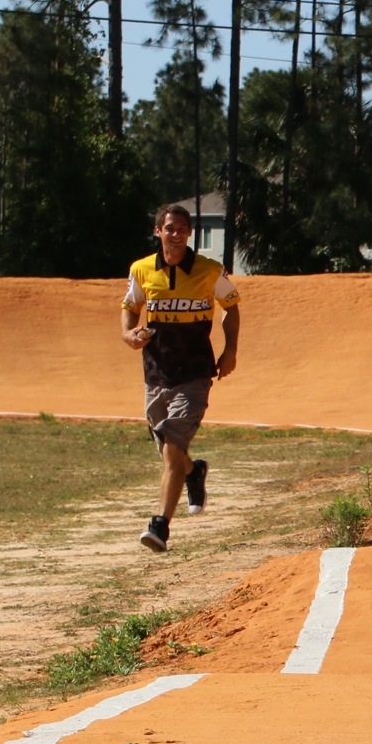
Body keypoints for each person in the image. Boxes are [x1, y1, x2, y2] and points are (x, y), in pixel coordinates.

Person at [121, 203, 240, 552]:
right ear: (158, 231)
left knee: (172, 446)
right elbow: (129, 308)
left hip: (195, 373)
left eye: (183, 228)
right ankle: (193, 471)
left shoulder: (209, 270)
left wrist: (230, 350)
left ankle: (159, 525)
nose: (177, 234)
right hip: (156, 373)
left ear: (189, 233)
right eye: (170, 228)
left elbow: (231, 307)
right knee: (170, 452)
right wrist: (129, 336)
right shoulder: (141, 270)